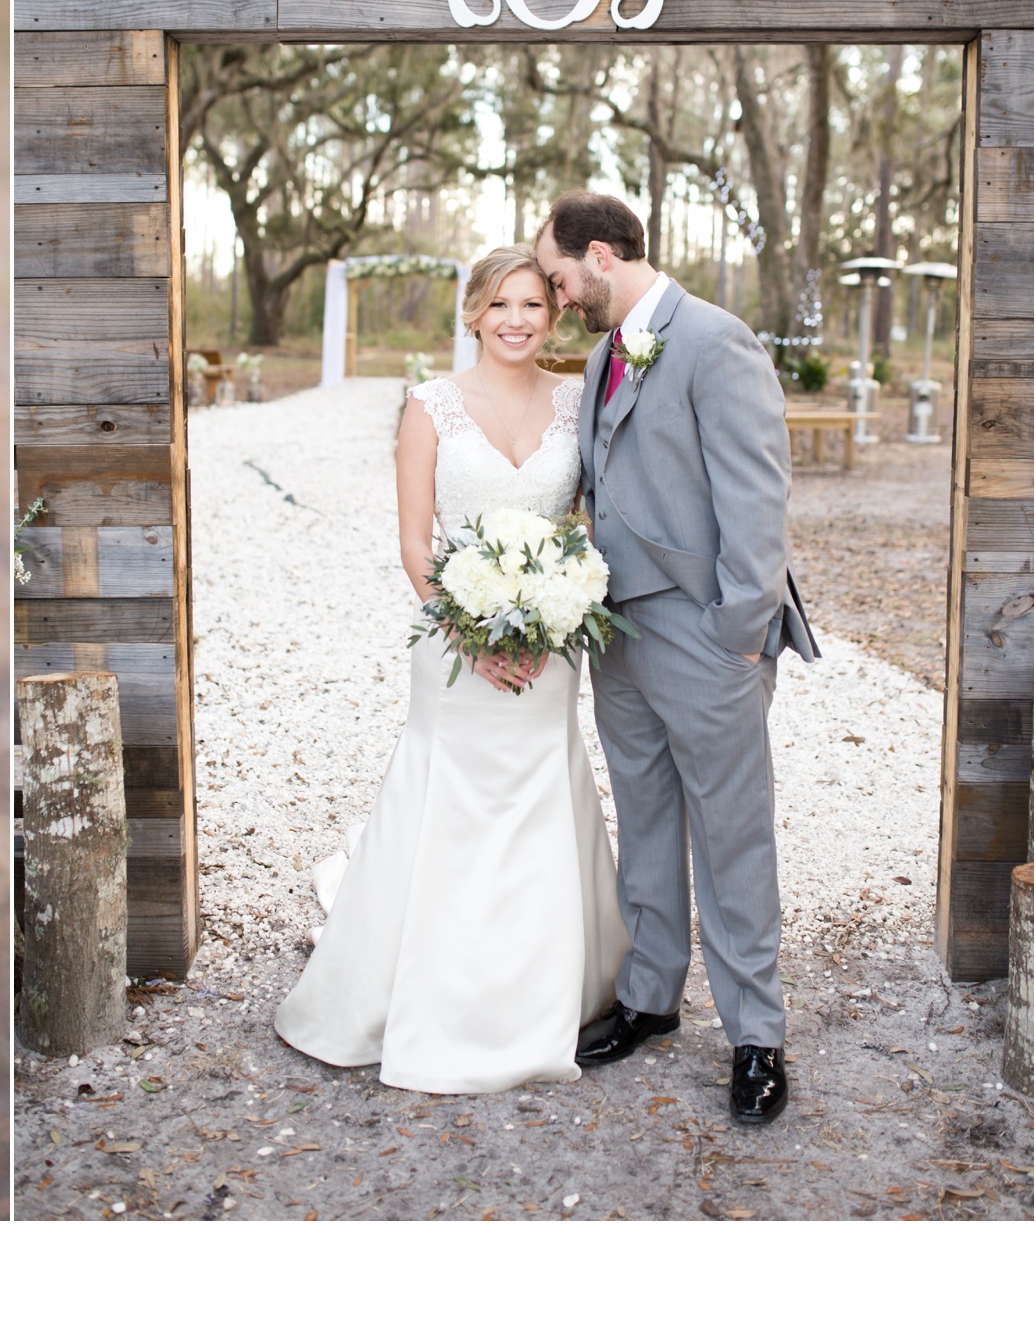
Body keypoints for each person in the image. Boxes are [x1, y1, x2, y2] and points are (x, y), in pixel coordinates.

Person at [274, 246, 629, 1094]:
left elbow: (584, 524)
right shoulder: (430, 406)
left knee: (543, 792)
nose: (517, 320)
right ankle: (424, 990)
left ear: (552, 316)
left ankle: (545, 989)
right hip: (455, 644)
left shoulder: (578, 399)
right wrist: (467, 635)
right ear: (473, 313)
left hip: (549, 644)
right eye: (501, 305)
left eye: (534, 306)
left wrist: (563, 601)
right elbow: (413, 542)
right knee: (449, 796)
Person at [535, 190, 817, 1127]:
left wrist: (740, 633)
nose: (560, 295)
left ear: (604, 255)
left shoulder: (715, 340)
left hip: (706, 637)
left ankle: (756, 1036)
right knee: (645, 818)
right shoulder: (607, 352)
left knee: (733, 832)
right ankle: (651, 999)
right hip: (619, 635)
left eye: (563, 277)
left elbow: (755, 498)